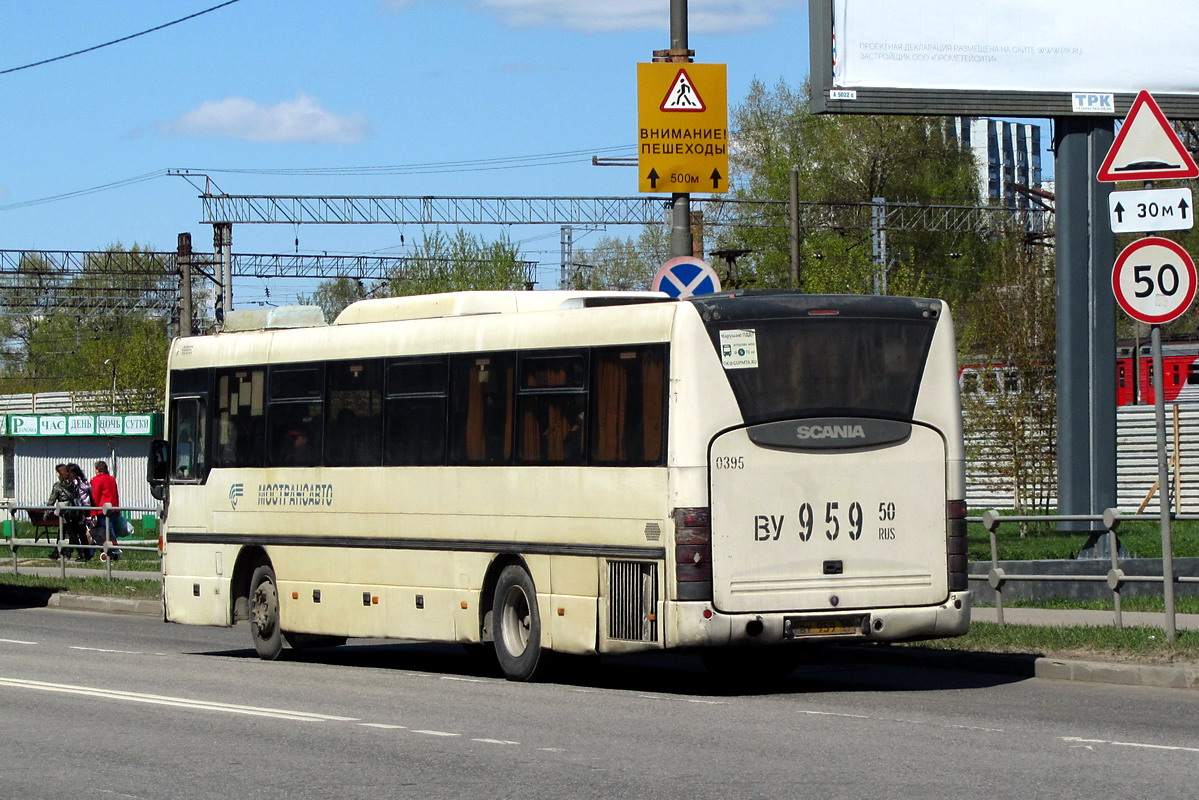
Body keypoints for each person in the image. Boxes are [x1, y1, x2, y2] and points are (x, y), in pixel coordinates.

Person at [46, 464, 88, 561]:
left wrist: (47, 513)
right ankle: (57, 552)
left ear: (59, 473)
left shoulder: (57, 486)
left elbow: (51, 500)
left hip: (65, 513)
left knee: (72, 534)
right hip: (74, 511)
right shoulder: (73, 484)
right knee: (62, 532)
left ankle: (82, 554)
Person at [90, 460, 126, 561]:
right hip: (113, 508)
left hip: (102, 510)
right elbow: (115, 495)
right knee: (107, 530)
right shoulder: (112, 479)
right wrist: (117, 508)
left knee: (104, 531)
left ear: (97, 469)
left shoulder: (96, 480)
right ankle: (95, 551)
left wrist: (92, 512)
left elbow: (95, 497)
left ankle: (113, 550)